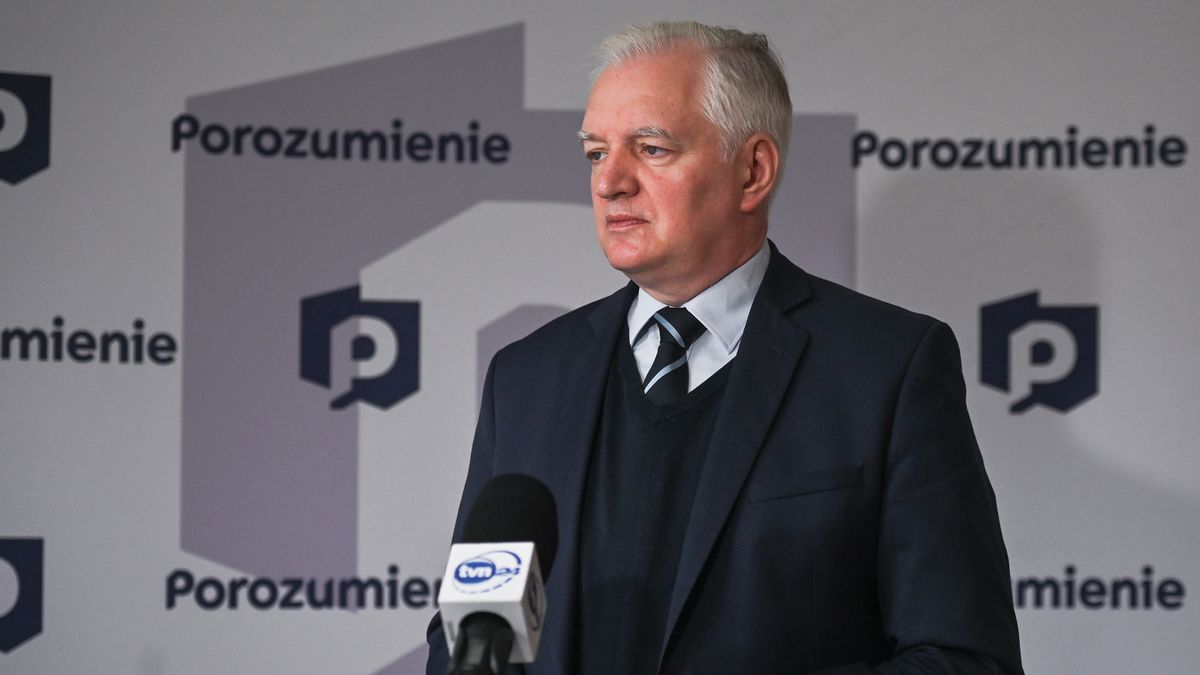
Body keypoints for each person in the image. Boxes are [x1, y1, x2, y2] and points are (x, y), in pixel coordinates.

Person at [428, 20, 1022, 674]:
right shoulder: (527, 380)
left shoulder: (887, 370)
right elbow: (467, 641)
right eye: (597, 152)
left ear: (753, 170)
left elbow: (966, 659)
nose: (609, 182)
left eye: (650, 148)